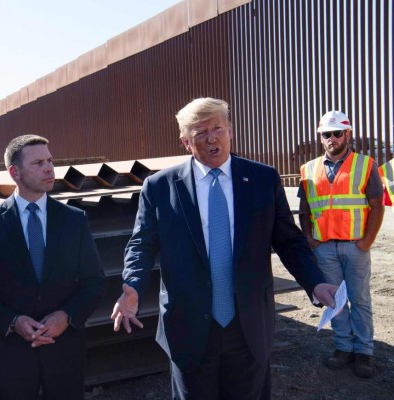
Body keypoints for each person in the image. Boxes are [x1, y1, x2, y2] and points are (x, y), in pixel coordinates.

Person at [111, 97, 337, 399]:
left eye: (217, 127)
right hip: (189, 326)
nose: (211, 138)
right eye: (200, 132)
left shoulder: (262, 179)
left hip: (247, 326)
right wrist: (132, 287)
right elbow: (141, 243)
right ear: (185, 142)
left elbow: (289, 240)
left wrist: (315, 281)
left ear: (230, 131)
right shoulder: (160, 187)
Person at [0, 134, 106, 400]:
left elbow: (94, 281)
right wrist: (13, 322)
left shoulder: (74, 220)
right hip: (11, 353)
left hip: (64, 349)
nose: (49, 168)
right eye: (38, 163)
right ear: (14, 172)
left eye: (50, 160)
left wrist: (67, 316)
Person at [299, 110, 385, 378]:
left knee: (360, 299)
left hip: (355, 246)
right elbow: (304, 209)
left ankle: (364, 352)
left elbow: (377, 205)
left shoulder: (365, 164)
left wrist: (366, 241)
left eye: (337, 133)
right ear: (321, 137)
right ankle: (343, 348)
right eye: (327, 134)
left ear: (348, 134)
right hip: (324, 246)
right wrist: (310, 239)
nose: (332, 138)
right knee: (335, 301)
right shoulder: (309, 168)